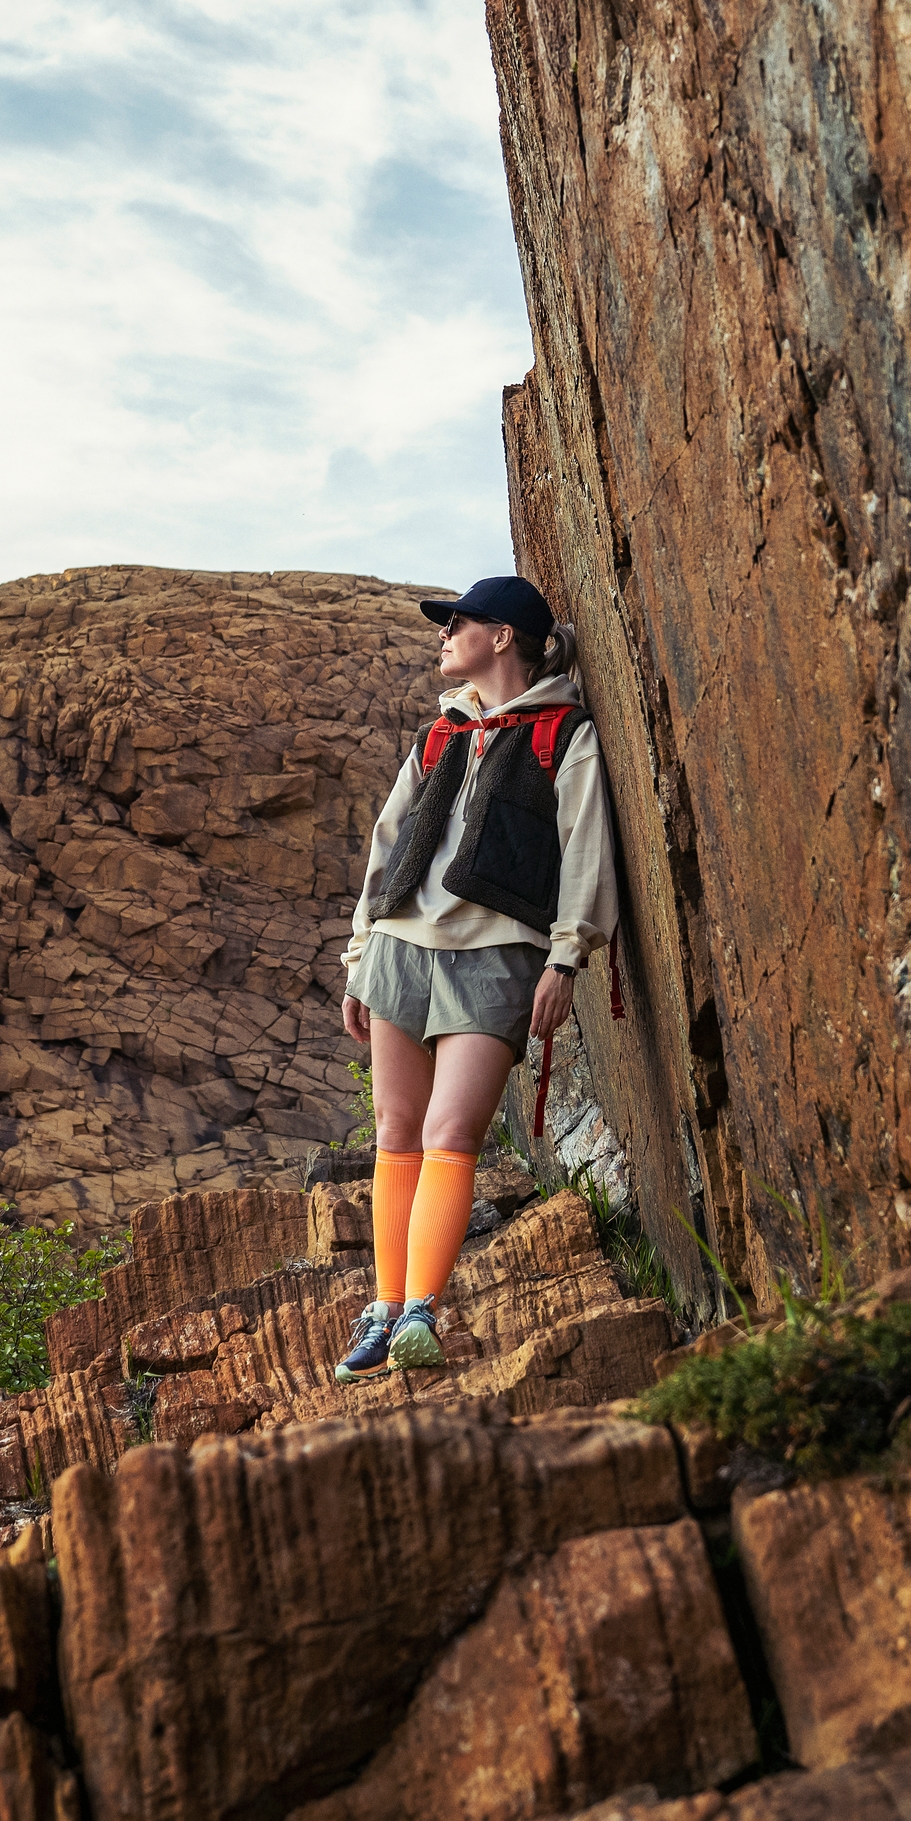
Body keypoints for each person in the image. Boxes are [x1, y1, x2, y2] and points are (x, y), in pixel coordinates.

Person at [331, 573, 615, 1377]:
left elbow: (588, 849)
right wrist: (359, 958)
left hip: (497, 955)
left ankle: (422, 1310)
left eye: (457, 623)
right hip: (399, 950)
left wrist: (567, 955)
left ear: (501, 637)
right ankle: (385, 1310)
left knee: (450, 1134)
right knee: (395, 1134)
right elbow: (386, 851)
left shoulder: (566, 735)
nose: (444, 634)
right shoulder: (439, 736)